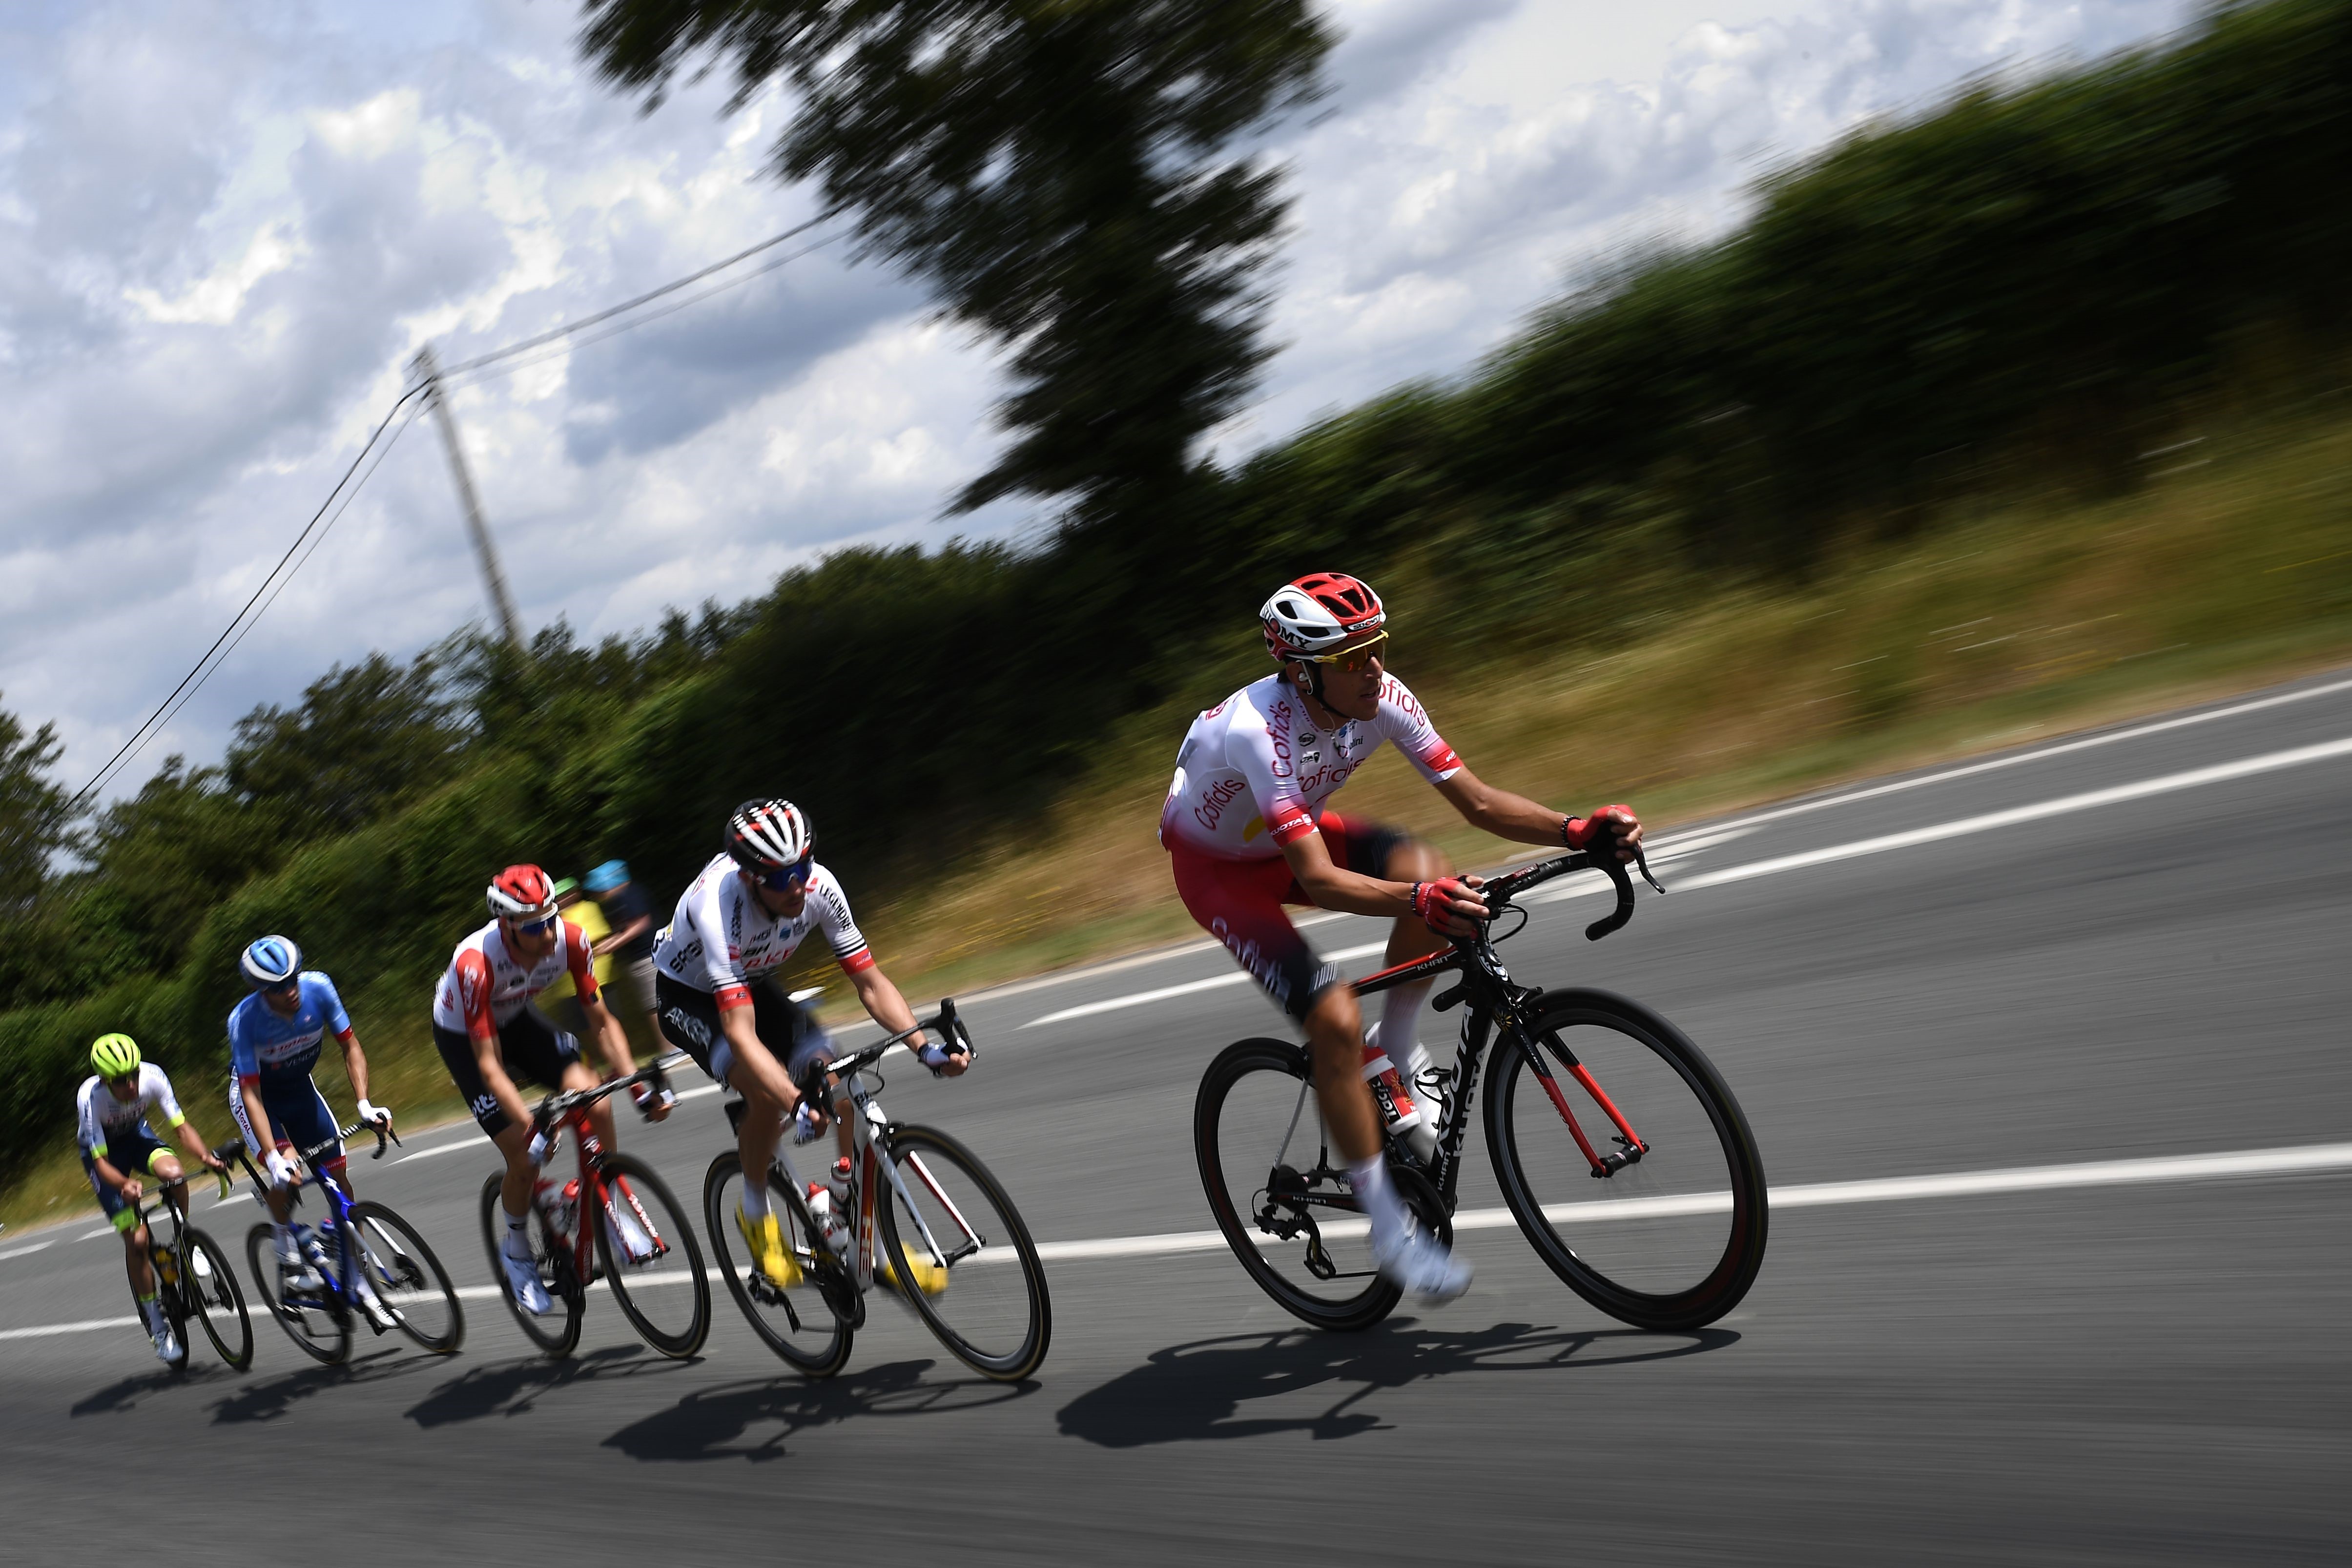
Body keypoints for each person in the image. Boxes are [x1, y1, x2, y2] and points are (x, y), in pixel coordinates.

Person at [1159, 572, 1644, 1303]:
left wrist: (1576, 830)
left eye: (1377, 648)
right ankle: (1388, 1228)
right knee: (1330, 1014)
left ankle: (1399, 1046)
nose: (1374, 669)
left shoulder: (1380, 698)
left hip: (1286, 838)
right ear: (1300, 671)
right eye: (1353, 658)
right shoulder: (1258, 732)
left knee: (1434, 867)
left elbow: (1477, 802)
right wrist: (1419, 900)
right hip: (1219, 872)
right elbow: (1319, 883)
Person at [652, 799, 967, 1293]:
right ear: (752, 877)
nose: (797, 884)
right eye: (781, 877)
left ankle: (848, 1224)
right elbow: (738, 1030)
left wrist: (925, 1048)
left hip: (751, 982)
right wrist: (793, 1100)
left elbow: (870, 982)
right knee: (762, 1091)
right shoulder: (718, 904)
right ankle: (757, 1217)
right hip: (691, 997)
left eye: (802, 866)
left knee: (832, 1069)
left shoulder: (820, 884)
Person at [432, 863, 670, 1316]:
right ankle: (517, 1253)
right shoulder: (475, 963)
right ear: (507, 927)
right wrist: (530, 1127)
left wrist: (637, 1086)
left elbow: (602, 1021)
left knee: (593, 1095)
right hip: (467, 1039)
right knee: (524, 1157)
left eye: (552, 916)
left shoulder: (572, 939)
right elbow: (489, 1064)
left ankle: (607, 1211)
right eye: (535, 925)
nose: (548, 932)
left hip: (517, 1018)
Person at [225, 935, 393, 1327]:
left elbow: (351, 1047)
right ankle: (285, 1248)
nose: (291, 991)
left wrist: (365, 1104)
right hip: (260, 1099)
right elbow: (250, 1091)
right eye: (279, 987)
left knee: (340, 1180)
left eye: (293, 979)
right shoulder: (245, 1020)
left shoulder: (319, 988)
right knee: (290, 1174)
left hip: (300, 1091)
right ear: (262, 991)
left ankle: (359, 1280)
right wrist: (272, 1155)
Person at [75, 1034, 227, 1364]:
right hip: (104, 1157)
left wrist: (206, 1157)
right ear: (105, 1079)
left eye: (133, 1075)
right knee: (139, 1240)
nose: (130, 1084)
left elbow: (181, 1127)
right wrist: (126, 1184)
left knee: (174, 1174)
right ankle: (158, 1328)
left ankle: (186, 1241)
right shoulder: (91, 1097)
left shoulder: (153, 1076)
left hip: (135, 1137)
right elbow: (100, 1163)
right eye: (120, 1080)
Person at [583, 860, 660, 1044]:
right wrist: (603, 946)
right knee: (653, 1006)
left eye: (599, 891)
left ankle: (672, 1049)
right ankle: (672, 1047)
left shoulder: (630, 894)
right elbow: (622, 930)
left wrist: (611, 946)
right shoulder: (618, 900)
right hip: (640, 960)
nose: (597, 895)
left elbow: (640, 924)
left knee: (655, 1006)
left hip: (648, 957)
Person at [536, 878, 616, 1045]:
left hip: (596, 978)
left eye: (567, 894)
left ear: (576, 893)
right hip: (568, 986)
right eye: (559, 897)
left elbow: (592, 941)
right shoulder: (554, 919)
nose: (563, 899)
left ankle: (621, 1065)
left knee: (605, 1022)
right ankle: (610, 1066)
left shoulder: (588, 908)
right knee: (585, 1029)